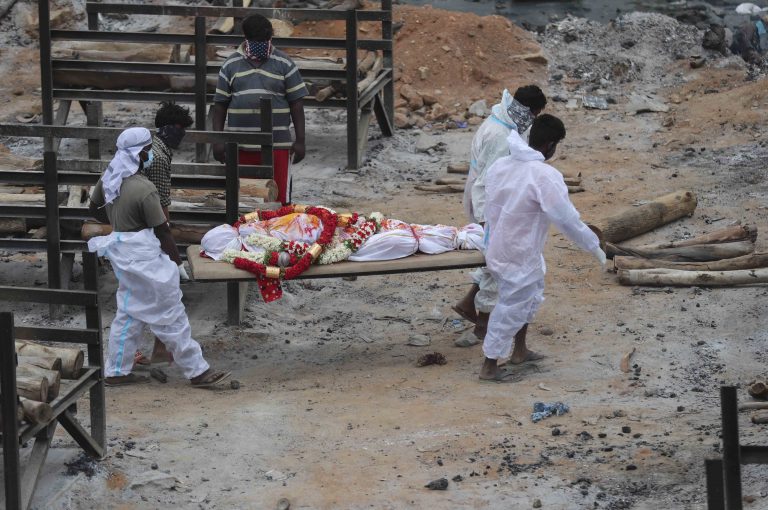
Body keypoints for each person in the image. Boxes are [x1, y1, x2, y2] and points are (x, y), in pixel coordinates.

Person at [88, 127, 231, 387]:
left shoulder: (109, 178)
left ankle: (116, 371)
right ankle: (197, 371)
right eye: (148, 150)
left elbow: (95, 210)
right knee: (170, 311)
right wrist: (178, 264)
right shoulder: (145, 189)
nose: (151, 154)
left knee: (129, 311)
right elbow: (163, 231)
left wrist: (118, 218)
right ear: (142, 153)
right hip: (144, 254)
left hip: (121, 252)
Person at [478, 115, 606, 382]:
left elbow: (490, 205)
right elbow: (566, 218)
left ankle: (520, 350)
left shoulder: (502, 165)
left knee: (530, 295)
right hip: (518, 250)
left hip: (502, 244)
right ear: (549, 145)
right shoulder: (544, 176)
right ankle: (490, 365)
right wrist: (593, 245)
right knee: (511, 306)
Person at [453, 85, 547, 347]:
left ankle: (470, 303)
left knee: (494, 258)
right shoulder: (500, 135)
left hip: (494, 203)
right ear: (527, 110)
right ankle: (483, 324)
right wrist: (487, 221)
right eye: (535, 114)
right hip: (490, 206)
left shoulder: (502, 121)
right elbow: (485, 183)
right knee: (499, 261)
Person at [212, 13, 308, 205]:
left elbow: (296, 103)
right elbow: (220, 104)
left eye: (264, 40)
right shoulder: (230, 65)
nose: (261, 44)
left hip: (278, 145)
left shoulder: (285, 63)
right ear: (245, 38)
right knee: (245, 199)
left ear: (270, 37)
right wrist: (218, 140)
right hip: (241, 145)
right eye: (256, 41)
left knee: (278, 199)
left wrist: (300, 141)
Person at [143, 101, 194, 222]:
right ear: (167, 127)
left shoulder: (155, 147)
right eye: (180, 128)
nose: (182, 133)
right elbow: (159, 203)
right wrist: (166, 231)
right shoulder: (159, 158)